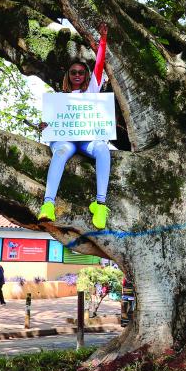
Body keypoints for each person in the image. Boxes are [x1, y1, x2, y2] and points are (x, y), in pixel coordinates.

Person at [38, 22, 113, 229]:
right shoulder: (59, 99)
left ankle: (99, 204)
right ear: (68, 76)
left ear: (85, 75)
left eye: (81, 72)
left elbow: (99, 65)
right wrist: (45, 126)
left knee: (103, 150)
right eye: (73, 72)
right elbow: (51, 125)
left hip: (86, 141)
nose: (78, 75)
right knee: (61, 151)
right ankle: (48, 204)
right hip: (66, 140)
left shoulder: (91, 93)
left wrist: (103, 40)